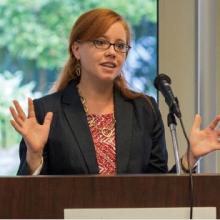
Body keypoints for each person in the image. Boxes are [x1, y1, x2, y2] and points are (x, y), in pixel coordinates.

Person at [9, 8, 220, 175]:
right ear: (76, 49)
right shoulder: (46, 111)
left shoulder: (144, 109)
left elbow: (158, 189)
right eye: (101, 42)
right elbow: (30, 199)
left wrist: (189, 158)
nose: (112, 52)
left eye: (120, 46)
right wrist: (34, 155)